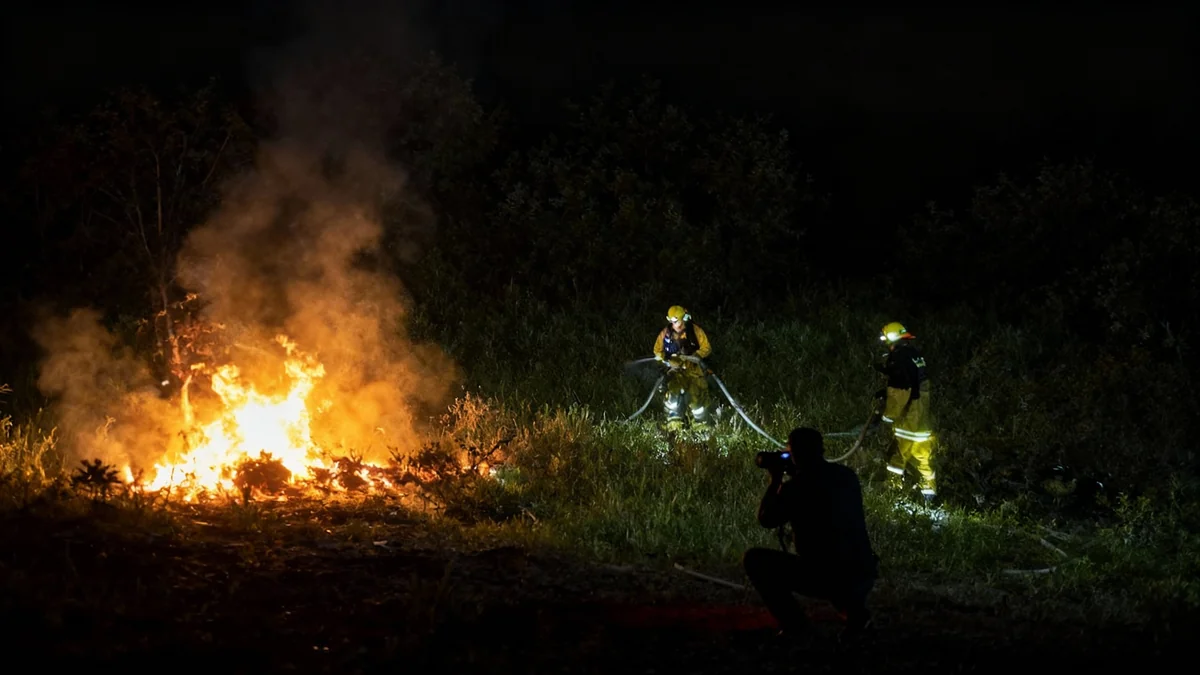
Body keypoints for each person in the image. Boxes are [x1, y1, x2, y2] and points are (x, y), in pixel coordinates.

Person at [743, 427, 879, 640]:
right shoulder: (847, 477)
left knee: (755, 560)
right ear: (821, 450)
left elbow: (766, 519)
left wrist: (776, 480)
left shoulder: (796, 488)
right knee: (840, 556)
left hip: (824, 574)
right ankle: (856, 615)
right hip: (862, 571)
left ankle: (796, 626)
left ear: (795, 454)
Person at [874, 321, 937, 501]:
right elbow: (917, 384)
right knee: (923, 457)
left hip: (908, 418)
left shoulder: (899, 358)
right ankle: (929, 495)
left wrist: (887, 416)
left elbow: (900, 391)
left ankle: (892, 492)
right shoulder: (915, 355)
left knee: (897, 455)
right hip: (923, 417)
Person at [652, 305, 712, 431]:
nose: (676, 324)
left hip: (693, 370)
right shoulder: (666, 333)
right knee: (673, 394)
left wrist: (695, 356)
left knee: (696, 396)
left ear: (684, 318)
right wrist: (668, 360)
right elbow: (657, 351)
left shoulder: (694, 331)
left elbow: (706, 347)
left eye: (678, 321)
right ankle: (674, 423)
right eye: (673, 322)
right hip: (675, 371)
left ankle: (700, 424)